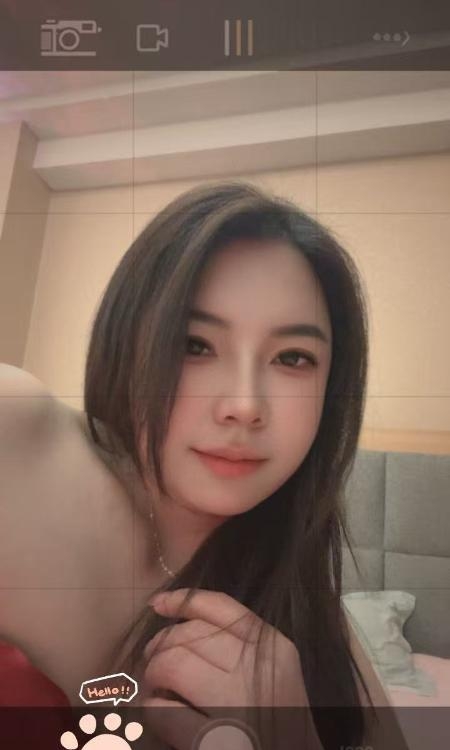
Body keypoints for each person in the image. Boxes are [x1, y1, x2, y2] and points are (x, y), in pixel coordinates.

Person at [0, 181, 409, 749]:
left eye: (293, 358)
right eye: (194, 345)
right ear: (128, 341)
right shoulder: (18, 437)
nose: (244, 405)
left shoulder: (313, 616)